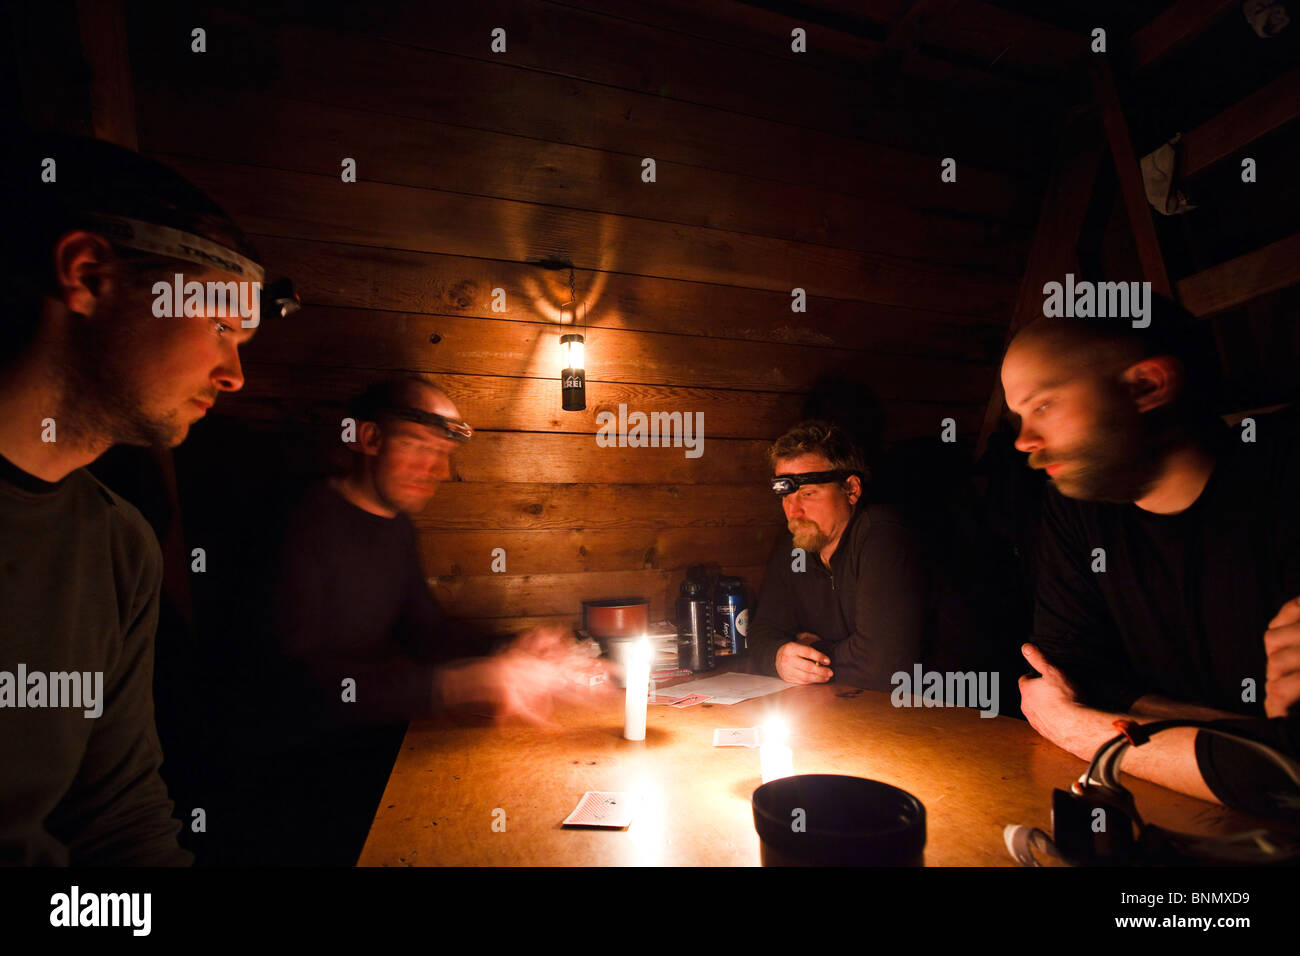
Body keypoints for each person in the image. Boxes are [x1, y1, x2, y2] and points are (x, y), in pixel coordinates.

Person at [0, 131, 265, 864]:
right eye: (220, 324)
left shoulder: (118, 543)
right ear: (87, 276)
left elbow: (120, 820)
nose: (234, 373)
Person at [257, 375, 605, 864]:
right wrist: (460, 685)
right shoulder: (298, 522)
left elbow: (427, 632)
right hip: (295, 789)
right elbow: (296, 690)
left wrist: (510, 651)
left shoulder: (395, 527)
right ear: (370, 438)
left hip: (377, 752)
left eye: (446, 453)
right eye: (420, 445)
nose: (439, 470)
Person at [1001, 295, 1300, 818]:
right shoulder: (1076, 510)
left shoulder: (1285, 468)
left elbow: (1284, 775)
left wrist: (1082, 727)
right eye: (1019, 417)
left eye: (1043, 405)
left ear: (1147, 385)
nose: (1025, 441)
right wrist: (1251, 738)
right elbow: (1074, 673)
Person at [746, 421, 986, 694]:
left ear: (851, 489)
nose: (794, 511)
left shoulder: (883, 536)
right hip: (854, 711)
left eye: (808, 494)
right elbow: (762, 633)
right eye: (785, 497)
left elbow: (884, 668)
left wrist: (815, 652)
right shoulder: (795, 545)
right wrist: (778, 658)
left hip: (945, 714)